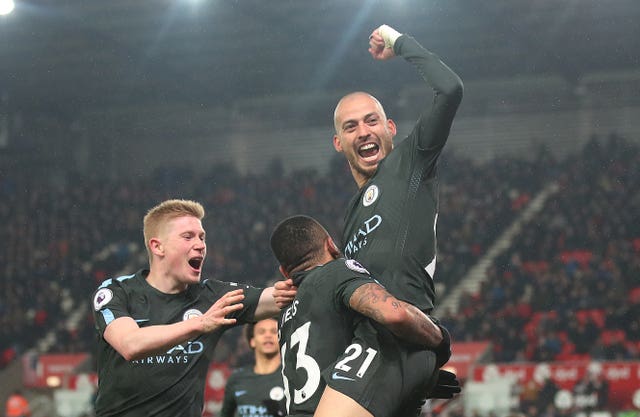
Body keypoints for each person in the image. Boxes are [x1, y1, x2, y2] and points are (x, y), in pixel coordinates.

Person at [327, 23, 464, 414]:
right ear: (339, 143)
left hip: (397, 340)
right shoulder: (352, 212)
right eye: (350, 126)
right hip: (378, 344)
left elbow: (451, 89)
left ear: (390, 129)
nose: (363, 132)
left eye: (372, 121)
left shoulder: (410, 160)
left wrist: (399, 41)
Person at [91, 199, 293, 417]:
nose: (200, 245)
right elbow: (130, 344)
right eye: (188, 237)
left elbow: (277, 297)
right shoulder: (117, 291)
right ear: (157, 246)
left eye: (202, 237)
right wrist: (199, 324)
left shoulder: (211, 297)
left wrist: (311, 276)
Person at [271, 215, 458, 417]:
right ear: (331, 245)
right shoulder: (335, 272)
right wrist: (440, 340)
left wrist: (398, 386)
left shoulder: (285, 314)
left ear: (284, 271)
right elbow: (396, 314)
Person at [220, 318, 286, 417]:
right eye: (261, 332)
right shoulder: (237, 378)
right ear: (252, 341)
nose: (268, 335)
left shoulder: (290, 377)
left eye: (274, 331)